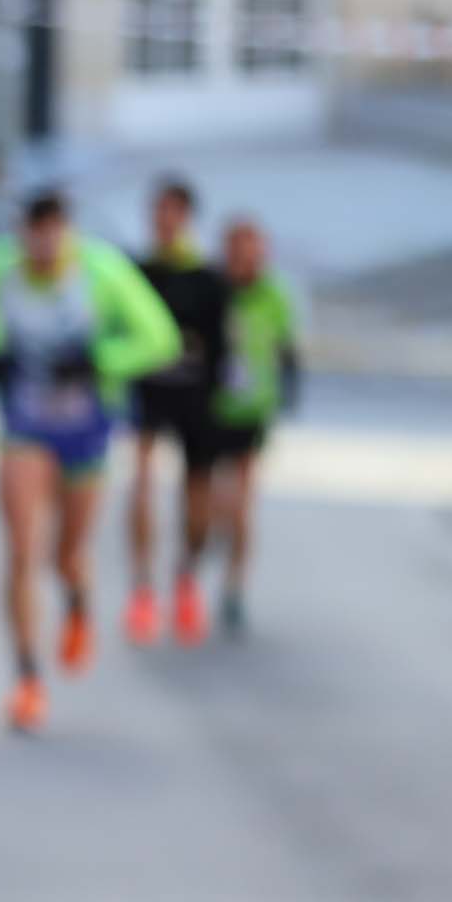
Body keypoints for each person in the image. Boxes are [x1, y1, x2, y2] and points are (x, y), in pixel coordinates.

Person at [0, 190, 179, 734]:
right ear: (22, 234)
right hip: (24, 426)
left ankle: (78, 602)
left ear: (67, 234)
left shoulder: (102, 271)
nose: (43, 248)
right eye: (33, 237)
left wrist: (100, 359)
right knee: (20, 550)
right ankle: (27, 679)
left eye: (53, 236)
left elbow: (161, 339)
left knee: (67, 555)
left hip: (85, 428)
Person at [173, 217, 300, 638]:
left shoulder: (273, 295)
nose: (246, 259)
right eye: (238, 249)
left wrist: (288, 392)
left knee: (241, 505)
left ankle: (234, 588)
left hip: (249, 411)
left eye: (254, 249)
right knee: (200, 507)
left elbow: (286, 347)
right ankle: (190, 563)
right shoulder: (208, 289)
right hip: (207, 408)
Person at [122, 177, 228, 645]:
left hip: (196, 398)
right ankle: (142, 588)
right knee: (141, 482)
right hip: (149, 393)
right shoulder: (136, 272)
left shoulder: (208, 279)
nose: (164, 220)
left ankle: (186, 577)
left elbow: (222, 350)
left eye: (173, 211)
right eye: (157, 210)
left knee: (197, 496)